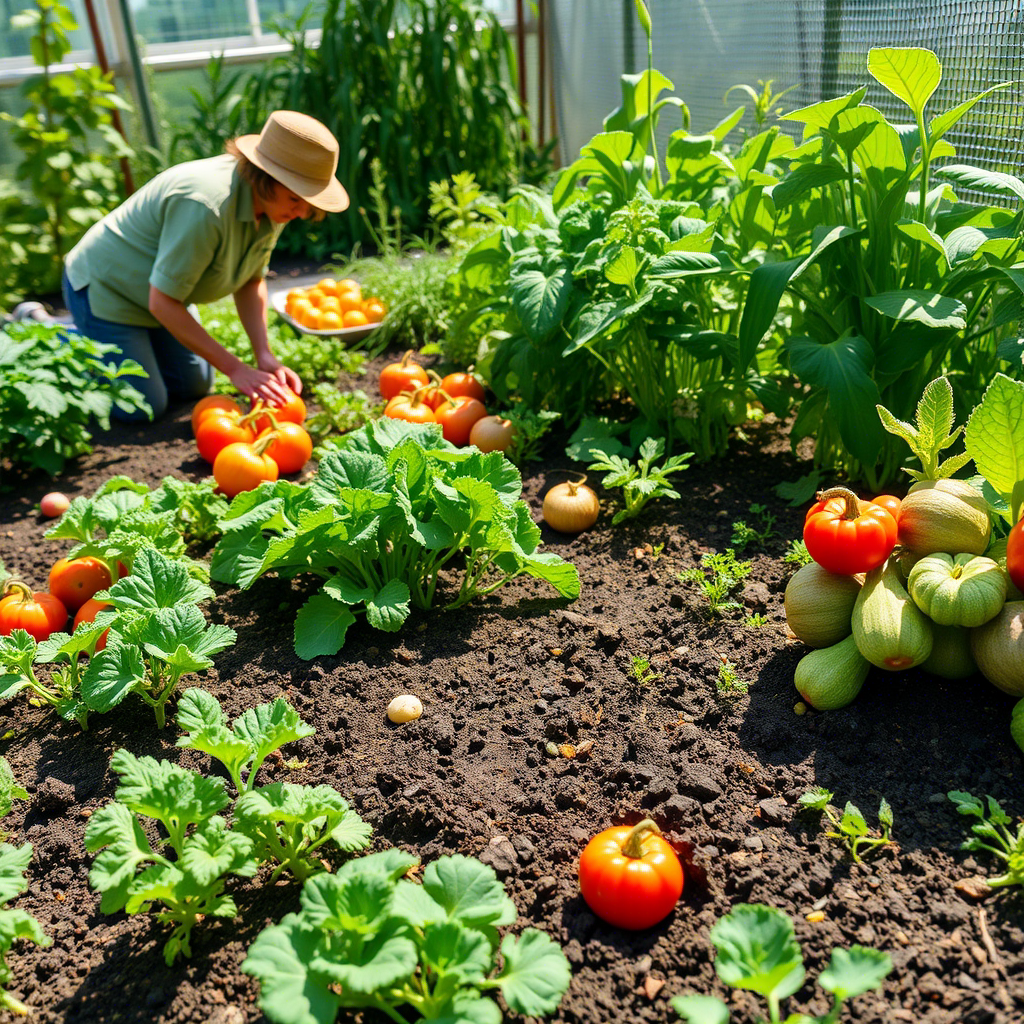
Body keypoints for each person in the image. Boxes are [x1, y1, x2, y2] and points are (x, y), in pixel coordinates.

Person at [62, 110, 349, 421]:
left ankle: (134, 349)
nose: (303, 213)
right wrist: (236, 369)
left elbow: (251, 280)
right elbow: (163, 302)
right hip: (107, 290)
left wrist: (263, 356)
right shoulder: (205, 205)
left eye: (309, 203)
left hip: (163, 297)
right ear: (265, 176)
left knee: (193, 386)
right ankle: (56, 337)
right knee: (142, 408)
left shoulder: (274, 204)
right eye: (297, 199)